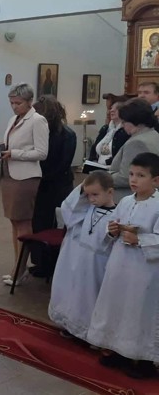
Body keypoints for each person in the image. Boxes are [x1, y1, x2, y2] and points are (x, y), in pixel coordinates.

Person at [87, 152, 159, 379]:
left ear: (156, 180)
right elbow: (112, 227)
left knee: (139, 312)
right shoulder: (126, 201)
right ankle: (117, 350)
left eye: (141, 175)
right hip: (120, 264)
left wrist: (140, 240)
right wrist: (112, 230)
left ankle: (143, 360)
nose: (133, 180)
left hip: (144, 270)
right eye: (131, 174)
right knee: (117, 306)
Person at [48, 171, 116, 341]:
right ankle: (70, 325)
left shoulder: (118, 214)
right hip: (76, 259)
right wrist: (81, 191)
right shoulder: (85, 208)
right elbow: (69, 212)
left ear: (110, 192)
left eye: (95, 194)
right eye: (88, 195)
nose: (91, 199)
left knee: (90, 297)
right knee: (73, 292)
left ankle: (89, 333)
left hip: (97, 264)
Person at [0, 83, 49, 286]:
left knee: (23, 224)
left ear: (29, 101)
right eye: (11, 103)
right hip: (10, 175)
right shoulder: (14, 119)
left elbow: (42, 153)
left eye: (18, 103)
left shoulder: (37, 120)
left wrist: (15, 153)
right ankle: (17, 267)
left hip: (26, 178)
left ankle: (20, 270)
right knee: (14, 222)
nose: (14, 107)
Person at [29, 95, 76, 277]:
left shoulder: (67, 134)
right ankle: (41, 262)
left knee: (54, 224)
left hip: (57, 185)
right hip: (45, 182)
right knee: (39, 223)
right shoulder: (46, 133)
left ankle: (52, 264)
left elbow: (63, 164)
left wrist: (41, 176)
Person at [109, 98, 159, 201]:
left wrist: (104, 176)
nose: (122, 125)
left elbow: (126, 177)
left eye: (124, 122)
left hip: (130, 197)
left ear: (135, 121)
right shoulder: (154, 134)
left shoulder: (137, 143)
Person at [89, 101, 128, 166]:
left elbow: (121, 155)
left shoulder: (125, 131)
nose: (112, 110)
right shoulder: (105, 128)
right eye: (111, 108)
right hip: (98, 166)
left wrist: (106, 163)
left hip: (113, 167)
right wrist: (93, 161)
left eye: (117, 108)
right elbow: (94, 147)